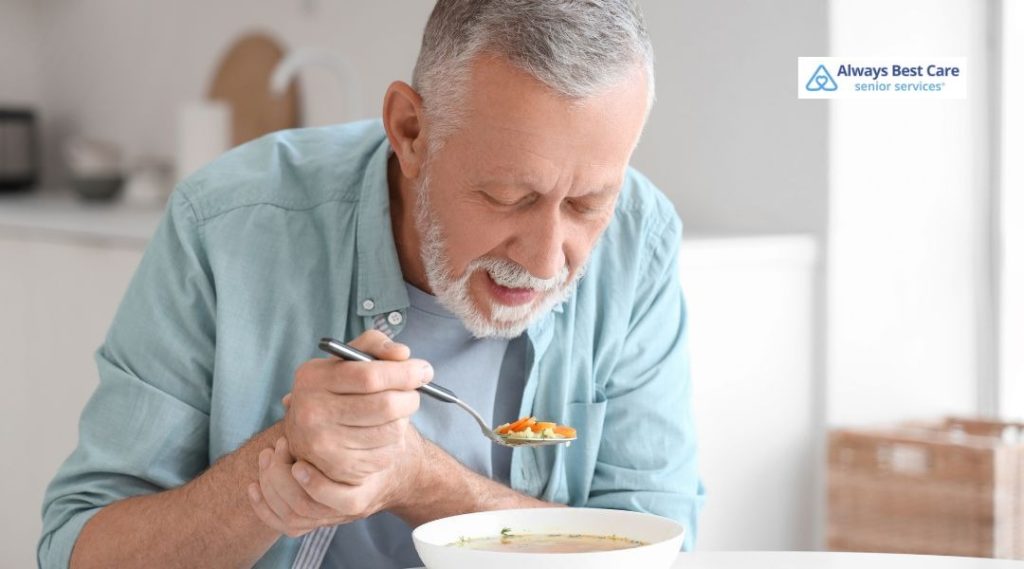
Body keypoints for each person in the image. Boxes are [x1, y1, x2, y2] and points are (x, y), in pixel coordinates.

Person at [39, 1, 706, 567]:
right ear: (411, 132)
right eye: (508, 196)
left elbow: (660, 550)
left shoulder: (638, 242)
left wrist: (420, 479)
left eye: (588, 204)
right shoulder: (228, 224)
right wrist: (281, 465)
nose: (543, 258)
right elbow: (80, 549)